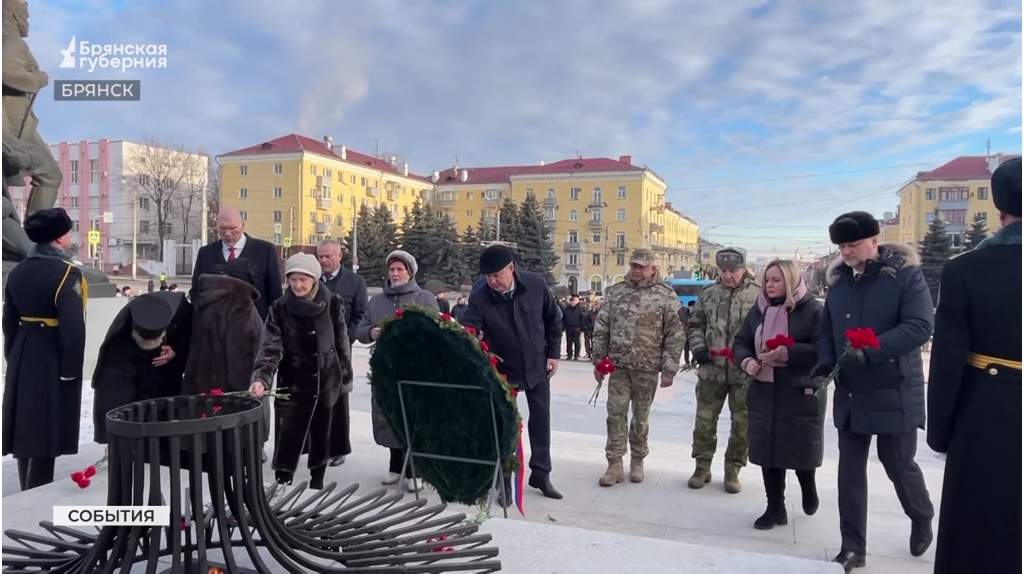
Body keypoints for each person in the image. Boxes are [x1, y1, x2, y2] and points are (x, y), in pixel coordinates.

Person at [814, 211, 935, 572]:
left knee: (898, 464)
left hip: (893, 386)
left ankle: (921, 513)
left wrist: (873, 350)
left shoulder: (905, 277)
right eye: (841, 246)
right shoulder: (838, 285)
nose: (846, 252)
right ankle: (853, 547)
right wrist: (824, 363)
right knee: (849, 473)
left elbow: (920, 326)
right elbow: (826, 331)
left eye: (852, 244)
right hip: (851, 390)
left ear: (874, 240)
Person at [926, 158, 1021, 574]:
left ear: (999, 211)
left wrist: (941, 432)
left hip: (987, 412)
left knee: (977, 530)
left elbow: (948, 359)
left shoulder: (965, 269)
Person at [462, 244, 564, 504]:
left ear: (511, 268)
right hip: (503, 370)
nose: (492, 281)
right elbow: (469, 328)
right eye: (488, 276)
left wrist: (553, 353)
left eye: (497, 275)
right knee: (507, 427)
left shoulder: (536, 284)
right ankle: (505, 481)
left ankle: (541, 474)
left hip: (538, 366)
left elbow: (553, 319)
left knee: (541, 421)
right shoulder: (480, 293)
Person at [732, 260, 826, 530]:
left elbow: (822, 348)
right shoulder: (759, 309)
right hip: (764, 389)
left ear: (791, 281)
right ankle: (775, 507)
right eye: (767, 280)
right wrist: (747, 361)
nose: (769, 285)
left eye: (776, 280)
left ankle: (808, 485)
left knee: (800, 446)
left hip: (799, 390)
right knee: (769, 450)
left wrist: (788, 353)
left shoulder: (812, 310)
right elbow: (741, 342)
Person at [251, 253, 352, 493]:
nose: (297, 285)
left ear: (314, 280)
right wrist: (261, 378)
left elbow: (342, 341)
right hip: (293, 381)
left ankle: (317, 484)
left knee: (322, 435)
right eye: (293, 279)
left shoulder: (333, 302)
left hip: (326, 380)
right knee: (288, 436)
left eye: (303, 279)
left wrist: (344, 377)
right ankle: (282, 484)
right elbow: (270, 347)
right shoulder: (280, 308)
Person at [1, 207, 86, 491]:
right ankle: (37, 491)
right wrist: (71, 369)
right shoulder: (67, 273)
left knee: (25, 424)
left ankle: (27, 484)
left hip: (23, 349)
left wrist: (13, 355)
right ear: (59, 238)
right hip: (51, 352)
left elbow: (8, 320)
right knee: (46, 426)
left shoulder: (18, 272)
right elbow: (73, 328)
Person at [592, 249, 685, 486]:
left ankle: (637, 460)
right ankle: (614, 464)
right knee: (615, 414)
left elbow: (675, 333)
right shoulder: (616, 292)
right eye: (633, 265)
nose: (636, 270)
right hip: (619, 367)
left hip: (647, 368)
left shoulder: (665, 296)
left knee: (641, 418)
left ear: (652, 267)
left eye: (641, 266)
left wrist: (669, 368)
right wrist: (598, 361)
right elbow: (602, 327)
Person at [355, 250, 437, 491]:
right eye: (392, 269)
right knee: (388, 417)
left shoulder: (424, 298)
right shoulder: (378, 301)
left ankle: (416, 473)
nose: (395, 273)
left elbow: (438, 331)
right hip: (385, 369)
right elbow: (360, 330)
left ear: (409, 272)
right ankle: (394, 466)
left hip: (416, 370)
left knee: (414, 420)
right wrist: (371, 333)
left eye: (400, 269)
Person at [686, 247, 760, 493]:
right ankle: (702, 466)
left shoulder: (758, 295)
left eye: (734, 270)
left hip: (744, 374)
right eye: (724, 270)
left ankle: (733, 469)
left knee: (742, 424)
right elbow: (695, 324)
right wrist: (698, 349)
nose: (728, 276)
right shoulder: (709, 293)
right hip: (711, 370)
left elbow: (764, 330)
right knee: (705, 422)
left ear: (743, 269)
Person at [91, 290, 192, 444]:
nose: (150, 345)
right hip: (138, 381)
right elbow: (113, 393)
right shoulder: (119, 344)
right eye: (145, 342)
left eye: (154, 341)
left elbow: (193, 332)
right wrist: (113, 437)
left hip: (168, 373)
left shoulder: (179, 309)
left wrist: (177, 348)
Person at [182, 258, 266, 439]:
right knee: (227, 442)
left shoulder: (208, 296)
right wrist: (248, 386)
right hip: (227, 386)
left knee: (205, 435)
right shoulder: (240, 301)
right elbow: (239, 349)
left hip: (201, 377)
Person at [318, 238, 367, 467]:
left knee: (338, 401)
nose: (325, 260)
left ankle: (337, 448)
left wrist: (348, 338)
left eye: (329, 256)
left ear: (340, 256)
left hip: (339, 351)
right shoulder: (312, 279)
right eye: (321, 257)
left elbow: (361, 314)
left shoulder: (355, 281)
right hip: (312, 349)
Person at [192, 207, 283, 320]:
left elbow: (275, 294)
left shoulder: (265, 250)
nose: (228, 233)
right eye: (222, 228)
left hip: (254, 329)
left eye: (232, 228)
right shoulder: (206, 253)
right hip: (215, 329)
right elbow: (196, 292)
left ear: (243, 225)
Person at [561, 294, 585, 360]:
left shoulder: (580, 309)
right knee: (569, 342)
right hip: (569, 327)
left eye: (574, 301)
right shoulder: (566, 309)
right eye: (571, 301)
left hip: (577, 327)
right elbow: (563, 319)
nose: (573, 302)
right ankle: (569, 354)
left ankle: (576, 354)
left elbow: (582, 319)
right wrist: (563, 327)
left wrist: (581, 327)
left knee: (577, 342)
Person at [679, 300, 696, 368]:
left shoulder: (696, 314)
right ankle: (687, 362)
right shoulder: (685, 314)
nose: (691, 308)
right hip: (686, 334)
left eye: (692, 307)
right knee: (686, 349)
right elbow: (683, 322)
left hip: (694, 334)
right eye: (690, 307)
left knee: (694, 349)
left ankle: (693, 361)